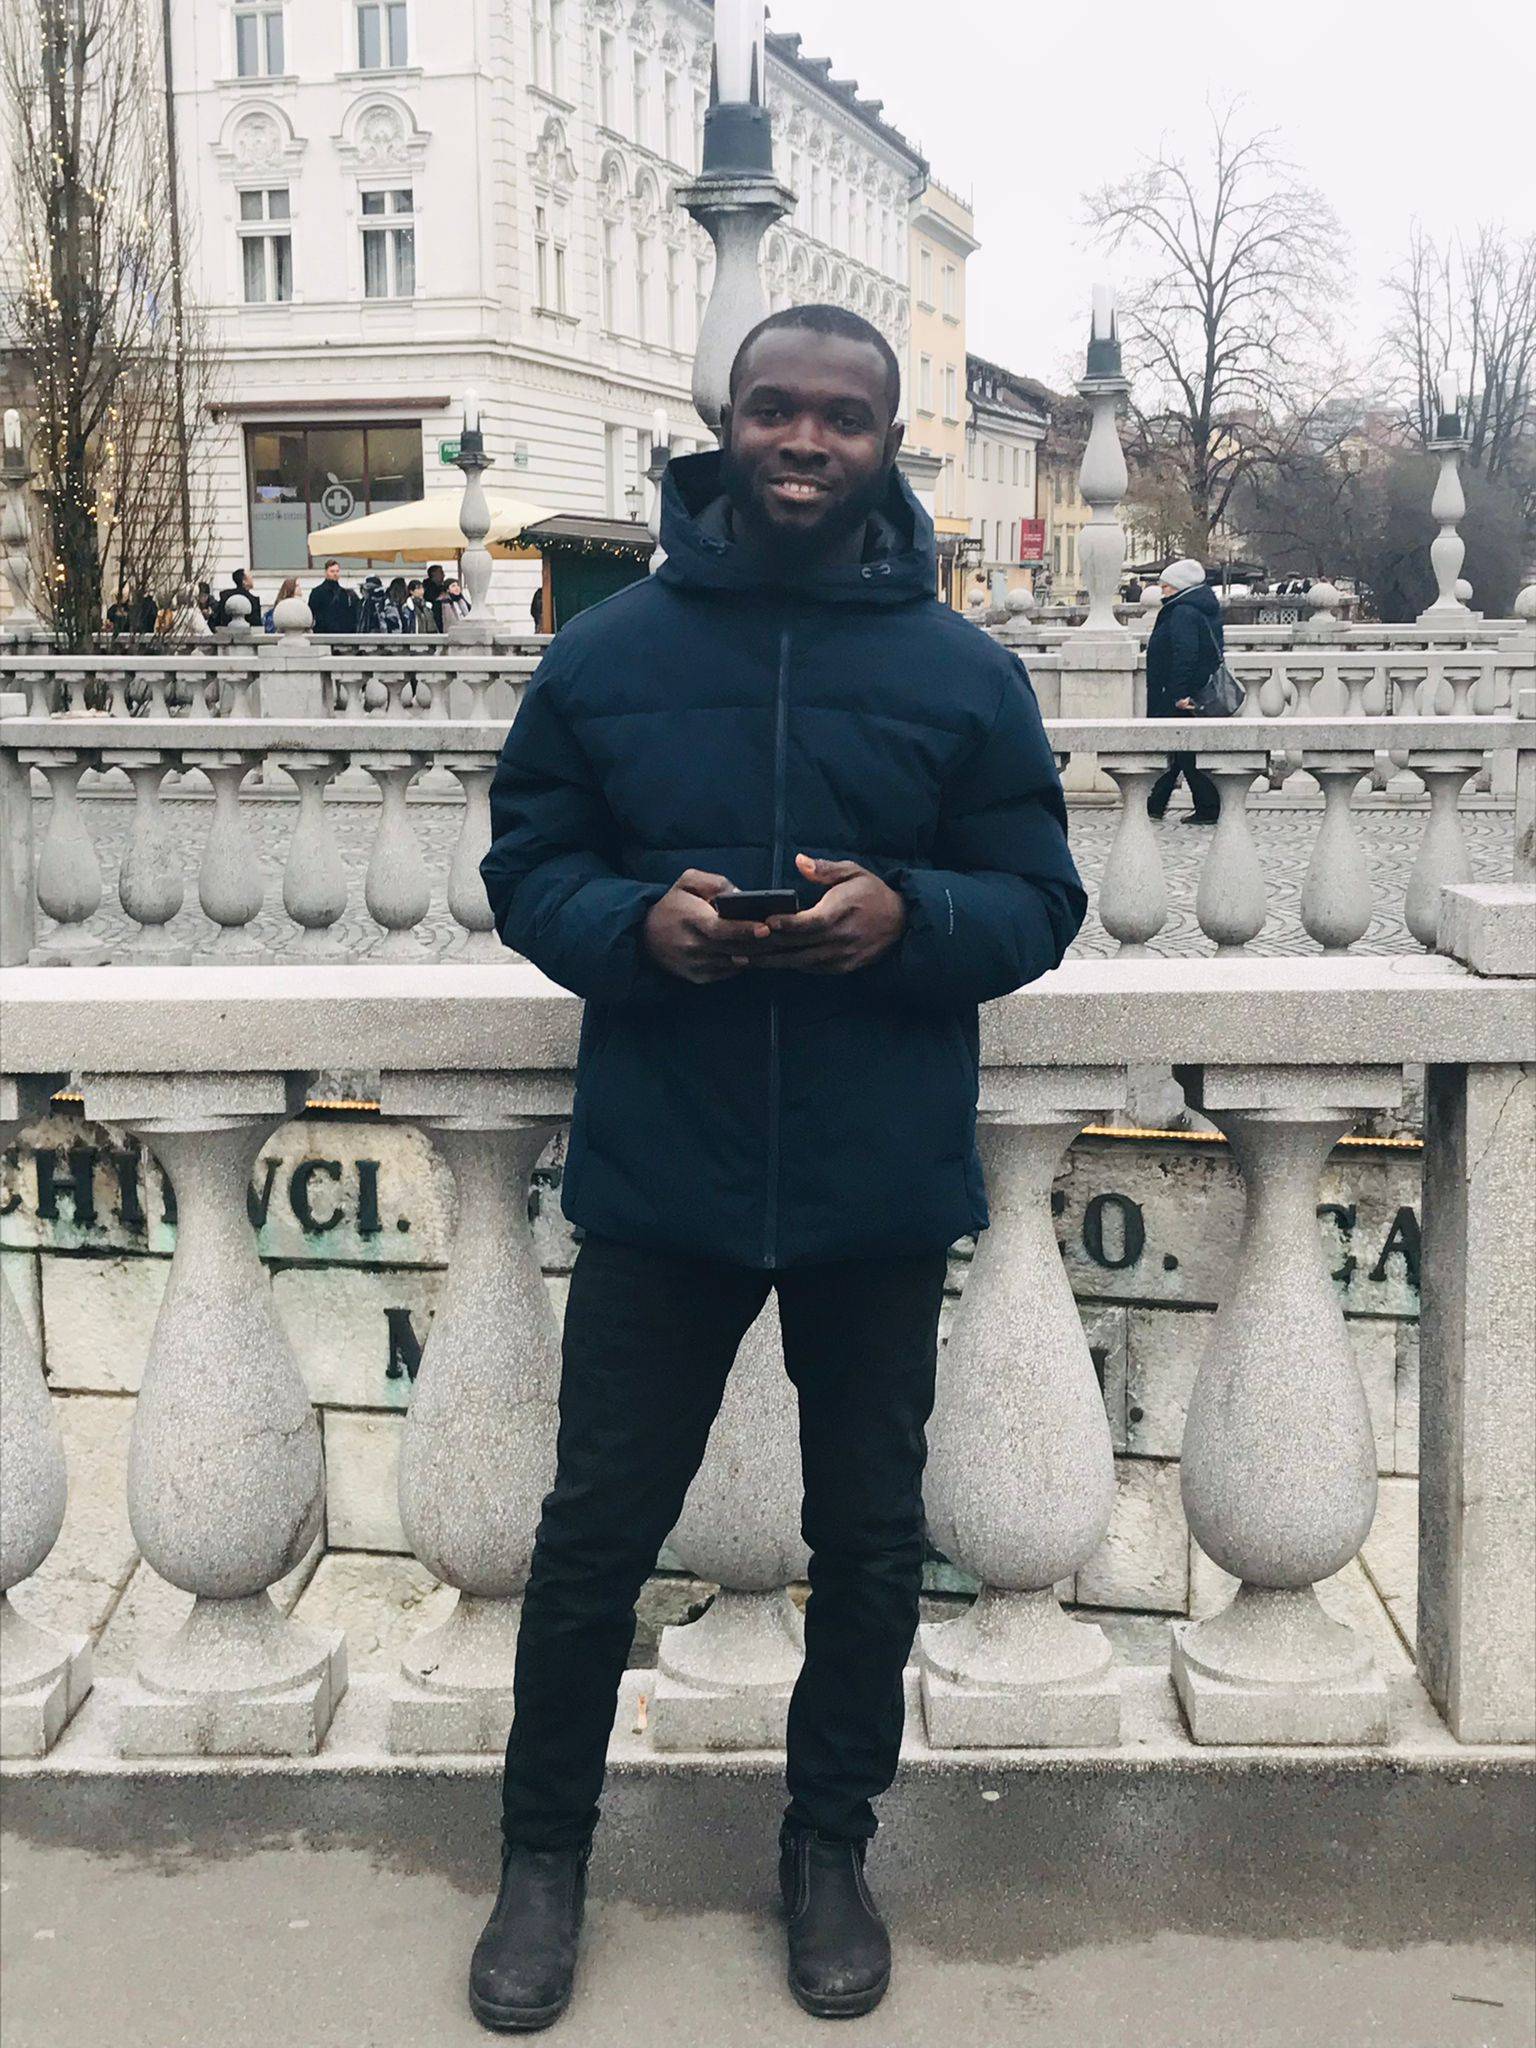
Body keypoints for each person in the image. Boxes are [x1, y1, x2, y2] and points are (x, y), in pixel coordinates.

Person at [475, 304, 1085, 2032]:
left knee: (871, 1539)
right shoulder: (607, 652)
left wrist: (911, 914)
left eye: (841, 417)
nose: (804, 441)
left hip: (874, 1175)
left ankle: (828, 1849)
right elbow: (529, 862)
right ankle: (542, 1857)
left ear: (889, 442)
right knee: (593, 1537)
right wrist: (633, 925)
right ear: (724, 423)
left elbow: (1038, 897)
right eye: (774, 409)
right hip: (663, 1168)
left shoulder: (964, 673)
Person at [1145, 556, 1222, 825]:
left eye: (1166, 586)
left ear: (1179, 587)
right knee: (1179, 751)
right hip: (1191, 689)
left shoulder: (1182, 612)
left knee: (1180, 749)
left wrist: (1178, 694)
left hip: (1177, 692)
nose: (1162, 592)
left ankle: (1205, 807)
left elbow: (1185, 654)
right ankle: (1156, 803)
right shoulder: (1200, 607)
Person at [307, 558, 359, 635]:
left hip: (343, 634)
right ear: (326, 572)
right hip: (323, 633)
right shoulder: (317, 592)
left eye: (337, 571)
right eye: (332, 571)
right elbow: (311, 614)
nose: (335, 574)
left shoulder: (345, 594)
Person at [421, 562, 450, 630]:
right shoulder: (427, 588)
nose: (444, 575)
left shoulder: (443, 587)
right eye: (441, 573)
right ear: (433, 574)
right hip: (434, 621)